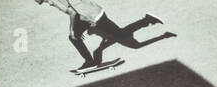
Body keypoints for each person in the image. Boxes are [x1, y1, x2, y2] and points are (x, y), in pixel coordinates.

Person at [34, 0, 175, 70]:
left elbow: (72, 13)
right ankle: (90, 61)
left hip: (94, 16)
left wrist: (74, 29)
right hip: (91, 14)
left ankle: (148, 21)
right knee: (74, 37)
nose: (36, 2)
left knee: (128, 40)